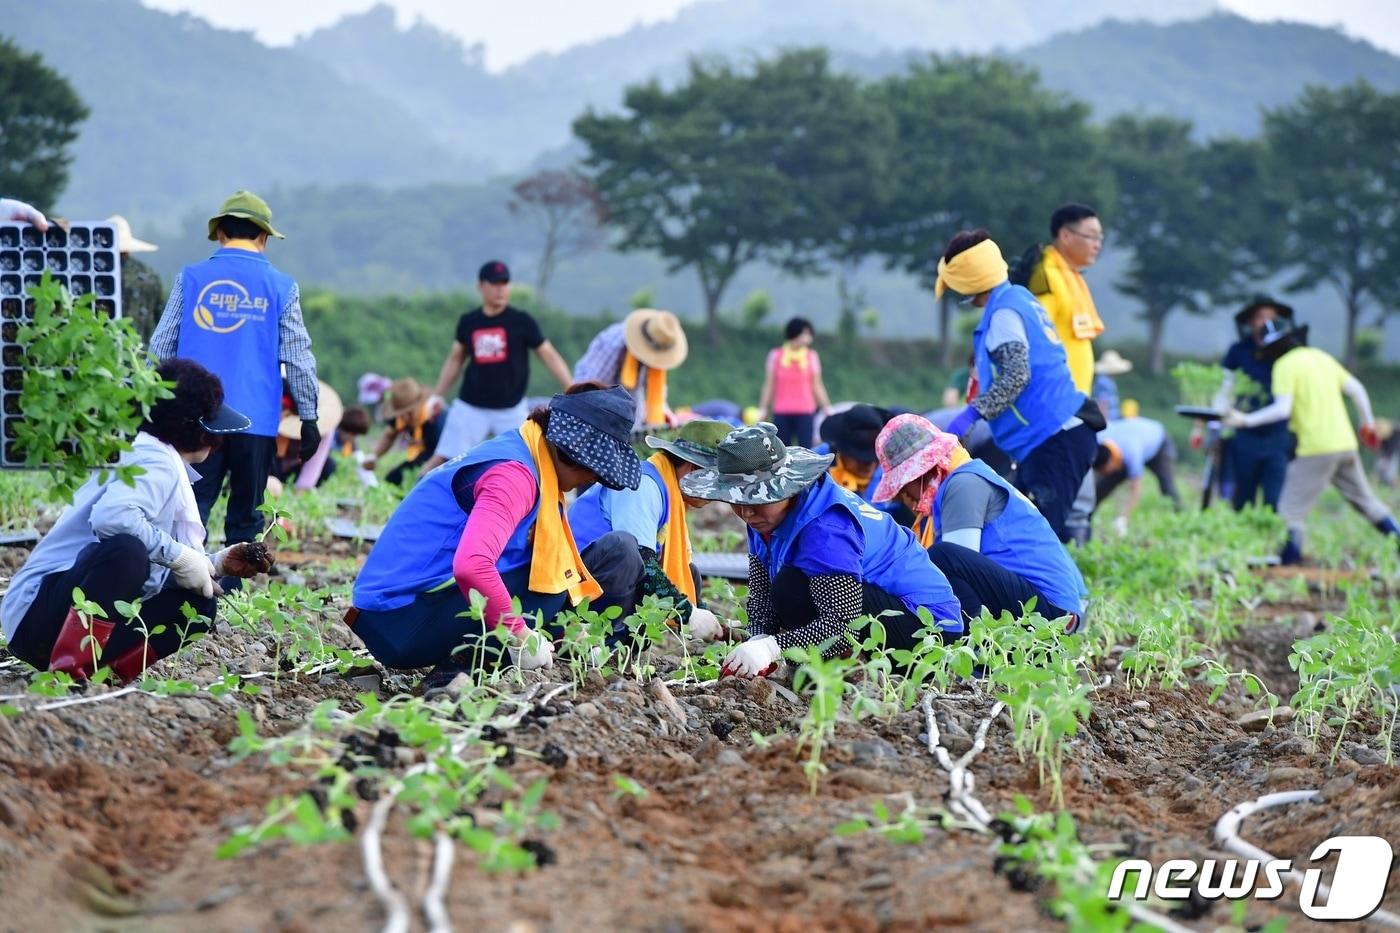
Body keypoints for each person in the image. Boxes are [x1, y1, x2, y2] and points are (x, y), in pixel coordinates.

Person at [348, 384, 641, 690]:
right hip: (397, 617)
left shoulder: (523, 450)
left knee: (558, 569)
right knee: (549, 583)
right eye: (594, 471)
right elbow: (471, 565)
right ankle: (456, 674)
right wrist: (520, 636)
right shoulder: (515, 476)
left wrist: (566, 629)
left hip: (400, 611)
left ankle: (530, 649)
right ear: (573, 454)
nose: (593, 479)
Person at [0, 359, 270, 681]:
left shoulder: (152, 453)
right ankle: (69, 673)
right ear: (192, 427)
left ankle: (103, 677)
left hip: (58, 616)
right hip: (37, 615)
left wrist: (217, 564)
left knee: (199, 608)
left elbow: (153, 569)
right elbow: (112, 519)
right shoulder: (154, 459)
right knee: (127, 551)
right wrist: (182, 557)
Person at [680, 424, 963, 678]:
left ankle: (844, 670)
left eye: (757, 498)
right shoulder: (763, 519)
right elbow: (762, 594)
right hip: (878, 606)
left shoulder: (825, 528)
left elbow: (842, 625)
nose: (747, 511)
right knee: (784, 590)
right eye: (737, 501)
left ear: (787, 489)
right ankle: (822, 665)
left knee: (791, 587)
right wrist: (757, 637)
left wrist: (774, 647)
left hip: (929, 632)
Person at [149, 190, 319, 544]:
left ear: (221, 234)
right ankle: (235, 595)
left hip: (196, 417)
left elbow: (160, 347)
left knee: (190, 512)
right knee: (246, 520)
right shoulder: (282, 287)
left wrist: (154, 404)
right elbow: (298, 356)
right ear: (263, 237)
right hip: (256, 419)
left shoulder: (191, 278)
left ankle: (185, 592)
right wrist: (309, 417)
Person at [937, 230, 1099, 543]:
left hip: (1055, 437)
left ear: (967, 282)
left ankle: (1064, 593)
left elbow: (1015, 376)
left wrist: (971, 416)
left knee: (1038, 539)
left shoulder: (1004, 314)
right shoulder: (1022, 298)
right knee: (1018, 527)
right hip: (1052, 436)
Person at [871, 414, 1087, 631]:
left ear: (918, 474)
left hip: (1050, 616)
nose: (903, 497)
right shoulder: (967, 477)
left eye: (901, 487)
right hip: (1051, 609)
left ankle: (975, 653)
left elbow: (950, 575)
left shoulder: (963, 485)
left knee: (945, 557)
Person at [1224, 318, 1400, 565]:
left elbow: (1282, 409)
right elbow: (1358, 390)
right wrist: (1367, 423)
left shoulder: (1284, 366)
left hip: (1316, 448)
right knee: (1366, 501)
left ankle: (1289, 563)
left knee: (1289, 510)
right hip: (1345, 444)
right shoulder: (1321, 357)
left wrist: (1245, 420)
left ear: (1271, 349)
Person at [568, 420, 733, 641]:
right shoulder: (642, 485)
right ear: (694, 469)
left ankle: (630, 639)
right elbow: (643, 563)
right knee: (625, 550)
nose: (716, 495)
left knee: (687, 572)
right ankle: (605, 639)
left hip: (601, 577)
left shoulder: (669, 490)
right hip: (572, 587)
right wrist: (688, 613)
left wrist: (715, 620)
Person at [423, 261, 573, 470]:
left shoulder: (521, 321)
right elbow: (456, 359)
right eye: (494, 283)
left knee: (531, 461)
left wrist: (572, 388)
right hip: (471, 406)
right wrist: (438, 395)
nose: (500, 289)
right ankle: (415, 497)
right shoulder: (469, 321)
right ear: (480, 286)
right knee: (444, 460)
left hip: (510, 408)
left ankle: (539, 502)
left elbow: (548, 355)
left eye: (504, 283)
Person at [1022, 204, 1105, 546]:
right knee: (1054, 491)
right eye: (1091, 236)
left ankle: (1072, 555)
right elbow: (1033, 339)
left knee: (1072, 491)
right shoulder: (1046, 277)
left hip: (1074, 403)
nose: (1098, 244)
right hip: (1054, 408)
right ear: (1066, 235)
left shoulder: (1071, 276)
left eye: (1101, 237)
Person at [1199, 297, 1296, 512]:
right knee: (1243, 494)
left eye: (1271, 318)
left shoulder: (1287, 353)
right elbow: (1225, 388)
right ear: (1251, 322)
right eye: (1261, 317)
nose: (1266, 322)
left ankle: (1271, 537)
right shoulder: (1238, 351)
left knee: (1275, 496)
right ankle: (1244, 536)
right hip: (1244, 433)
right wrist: (1216, 422)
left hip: (1278, 433)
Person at [573, 308, 689, 429]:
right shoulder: (612, 344)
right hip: (592, 397)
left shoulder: (653, 362)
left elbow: (654, 395)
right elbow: (590, 390)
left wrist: (664, 412)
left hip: (629, 398)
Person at [1093, 405, 1180, 535]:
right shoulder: (1101, 438)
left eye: (1106, 470)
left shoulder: (1131, 452)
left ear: (1112, 460)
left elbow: (1135, 488)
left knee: (1167, 486)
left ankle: (1179, 517)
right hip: (1129, 444)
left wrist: (1123, 518)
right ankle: (1085, 516)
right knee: (1102, 487)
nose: (1105, 473)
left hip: (1158, 442)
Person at [814, 404, 903, 518]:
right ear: (842, 451)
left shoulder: (894, 478)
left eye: (875, 459)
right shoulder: (816, 465)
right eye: (861, 459)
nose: (869, 465)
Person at [757, 317, 830, 446]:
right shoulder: (776, 356)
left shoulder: (811, 356)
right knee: (782, 449)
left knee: (806, 450)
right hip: (781, 412)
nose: (809, 337)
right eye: (805, 333)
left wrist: (826, 408)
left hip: (805, 412)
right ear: (795, 333)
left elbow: (817, 385)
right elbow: (769, 385)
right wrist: (763, 408)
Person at [365, 377, 446, 486]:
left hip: (439, 461)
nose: (405, 417)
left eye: (409, 412)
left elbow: (442, 456)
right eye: (401, 413)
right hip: (419, 458)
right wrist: (374, 456)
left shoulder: (435, 419)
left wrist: (421, 475)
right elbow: (390, 435)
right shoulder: (401, 417)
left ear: (419, 404)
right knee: (391, 480)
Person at [271, 381, 343, 493]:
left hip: (297, 466)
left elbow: (316, 460)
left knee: (329, 465)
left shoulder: (324, 428)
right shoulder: (280, 414)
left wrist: (301, 491)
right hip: (276, 465)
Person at [108, 215, 163, 343]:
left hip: (102, 355)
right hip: (139, 356)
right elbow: (162, 320)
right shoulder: (149, 275)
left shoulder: (96, 276)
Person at [1093, 350, 1132, 421]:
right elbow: (1102, 402)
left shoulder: (1108, 380)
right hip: (1108, 419)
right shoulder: (1103, 382)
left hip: (1112, 417)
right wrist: (1105, 420)